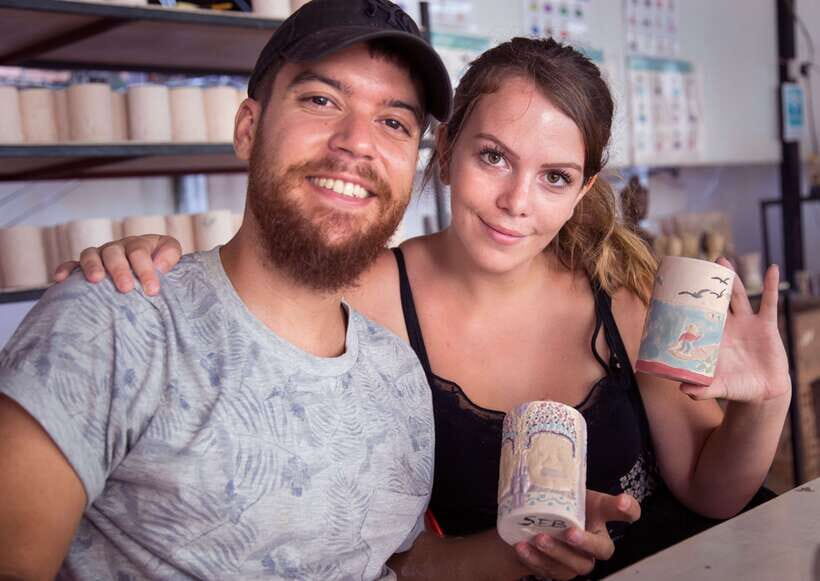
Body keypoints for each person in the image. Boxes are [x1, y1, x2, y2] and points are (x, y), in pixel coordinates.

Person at [56, 35, 790, 581]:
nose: (515, 202)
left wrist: (767, 402)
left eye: (555, 176)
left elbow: (712, 493)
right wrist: (147, 262)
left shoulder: (627, 293)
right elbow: (247, 287)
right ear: (445, 152)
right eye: (492, 157)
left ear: (583, 186)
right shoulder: (364, 292)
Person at [0, 1, 455, 579]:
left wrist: (530, 550)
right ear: (248, 129)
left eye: (394, 122)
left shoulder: (398, 375)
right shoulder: (112, 320)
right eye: (321, 100)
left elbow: (394, 562)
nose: (356, 143)